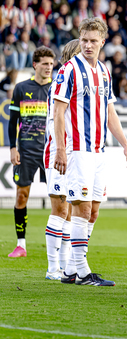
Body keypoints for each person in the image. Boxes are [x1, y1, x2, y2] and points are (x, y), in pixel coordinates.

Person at [53, 17, 127, 286]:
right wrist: (61, 149)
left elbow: (109, 112)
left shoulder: (104, 71)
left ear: (103, 41)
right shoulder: (68, 70)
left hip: (100, 151)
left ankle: (69, 268)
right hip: (78, 150)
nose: (88, 45)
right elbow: (59, 111)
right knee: (81, 206)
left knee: (94, 211)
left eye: (93, 41)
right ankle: (81, 270)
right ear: (80, 40)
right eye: (84, 40)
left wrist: (125, 144)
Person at [7, 46, 55, 258]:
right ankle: (21, 244)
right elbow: (13, 121)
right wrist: (12, 147)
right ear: (35, 65)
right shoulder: (21, 88)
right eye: (45, 64)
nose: (49, 68)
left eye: (51, 64)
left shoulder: (57, 89)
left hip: (51, 151)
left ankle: (59, 246)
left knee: (58, 198)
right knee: (21, 196)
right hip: (26, 151)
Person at [43, 39, 81, 280]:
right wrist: (61, 149)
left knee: (68, 211)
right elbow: (56, 119)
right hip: (59, 152)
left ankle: (67, 267)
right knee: (59, 209)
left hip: (73, 153)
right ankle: (52, 268)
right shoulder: (62, 80)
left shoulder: (76, 81)